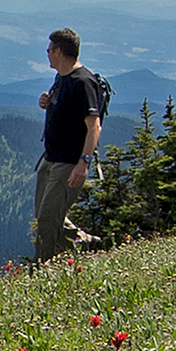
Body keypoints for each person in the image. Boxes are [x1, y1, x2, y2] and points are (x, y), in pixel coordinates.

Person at [34, 30, 105, 262]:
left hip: (69, 162)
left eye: (49, 50)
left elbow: (94, 127)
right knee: (43, 214)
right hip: (51, 158)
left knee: (47, 220)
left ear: (58, 51)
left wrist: (83, 162)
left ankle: (41, 269)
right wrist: (46, 102)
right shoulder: (61, 78)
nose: (47, 54)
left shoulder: (83, 82)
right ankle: (84, 242)